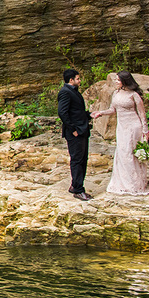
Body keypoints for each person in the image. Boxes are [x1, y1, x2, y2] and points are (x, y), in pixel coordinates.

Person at [91, 71, 149, 195]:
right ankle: (122, 182)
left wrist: (145, 130)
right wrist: (100, 113)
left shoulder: (134, 95)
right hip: (122, 127)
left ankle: (134, 184)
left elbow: (142, 114)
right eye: (116, 80)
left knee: (130, 153)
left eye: (118, 80)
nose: (116, 82)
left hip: (133, 126)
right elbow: (113, 109)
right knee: (122, 152)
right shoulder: (116, 93)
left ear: (125, 81)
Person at [57, 68, 92, 200]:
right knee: (77, 160)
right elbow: (62, 113)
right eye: (78, 78)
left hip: (81, 129)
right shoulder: (65, 92)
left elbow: (76, 111)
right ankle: (78, 189)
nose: (80, 80)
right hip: (75, 132)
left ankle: (75, 185)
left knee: (82, 159)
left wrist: (89, 115)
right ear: (71, 80)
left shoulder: (73, 92)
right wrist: (73, 129)